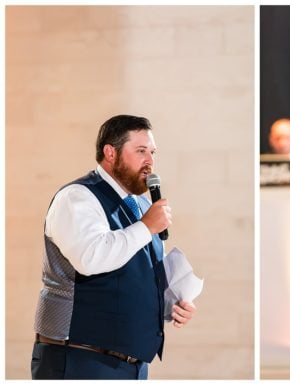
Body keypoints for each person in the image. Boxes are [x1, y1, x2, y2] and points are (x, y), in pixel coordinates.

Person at [32, 115, 196, 379]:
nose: (150, 161)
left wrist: (172, 304)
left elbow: (138, 277)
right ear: (110, 152)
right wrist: (145, 227)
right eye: (141, 151)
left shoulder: (142, 208)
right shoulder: (77, 197)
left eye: (152, 152)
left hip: (131, 364)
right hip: (80, 357)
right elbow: (91, 258)